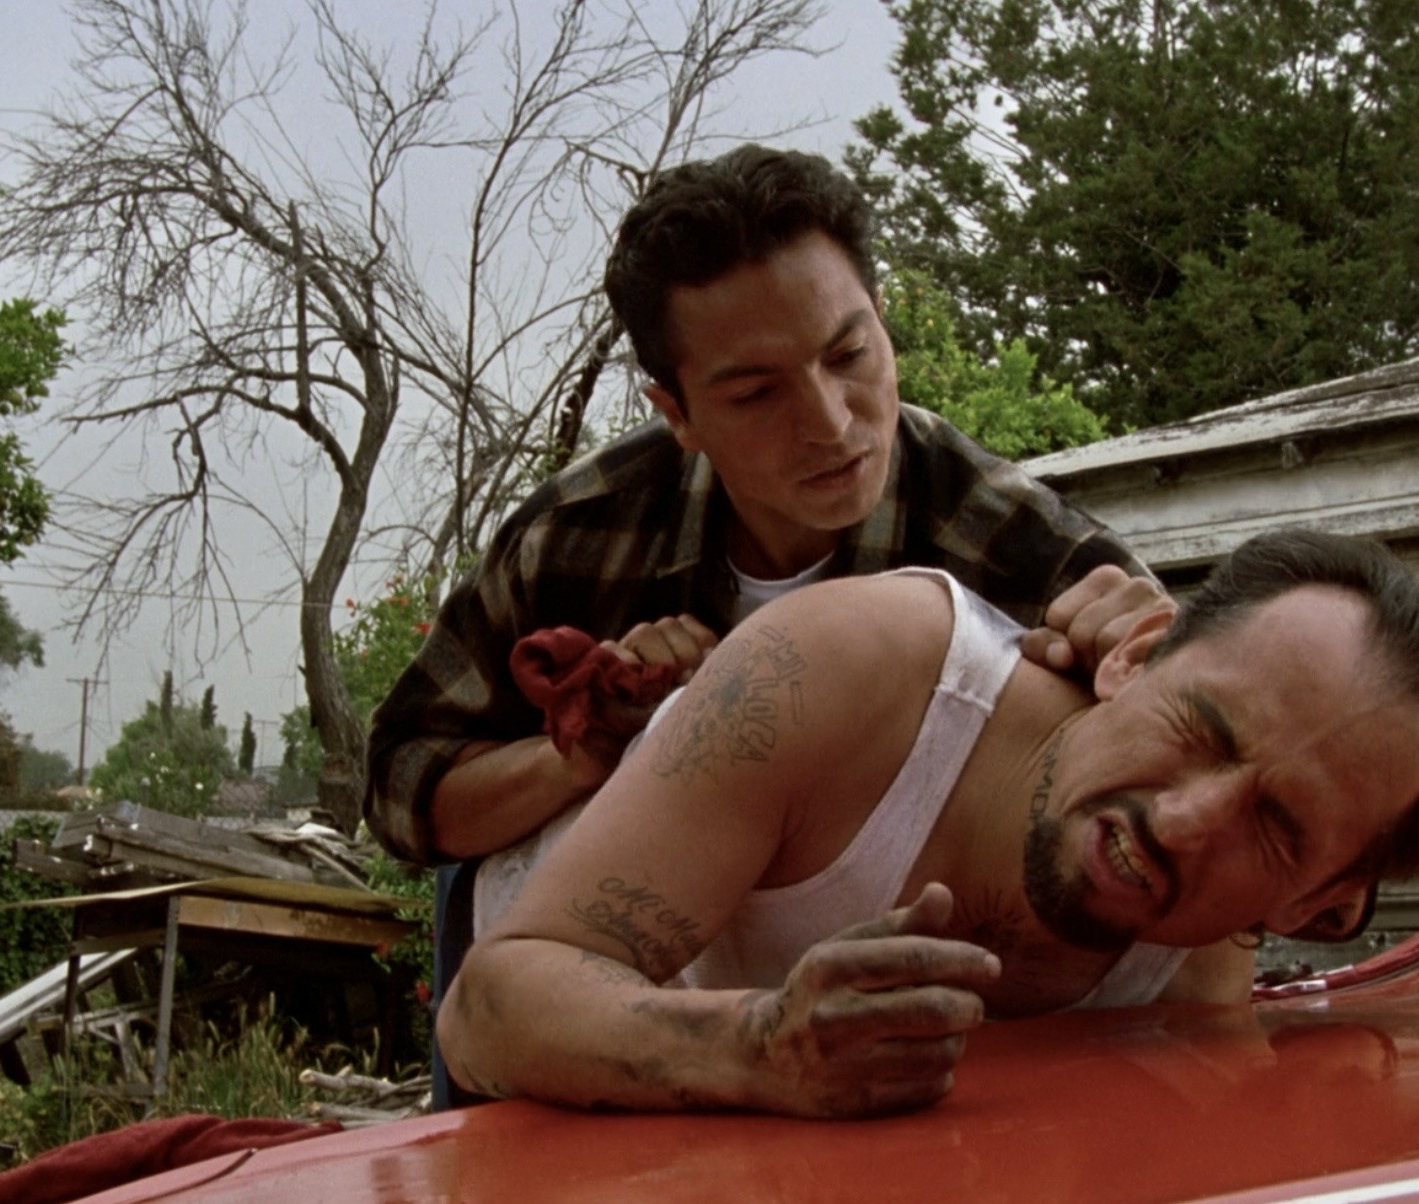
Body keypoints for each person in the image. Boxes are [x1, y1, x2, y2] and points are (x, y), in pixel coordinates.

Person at [437, 530, 1419, 1118]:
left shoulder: (1209, 953)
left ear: (1315, 903)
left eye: (1275, 829)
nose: (1183, 822)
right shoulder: (843, 665)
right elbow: (486, 1013)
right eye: (1200, 728)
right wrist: (759, 1047)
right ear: (1135, 656)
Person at [362, 144, 1168, 868]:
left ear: (883, 322)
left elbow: (1201, 784)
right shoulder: (576, 533)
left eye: (848, 354)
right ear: (677, 414)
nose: (831, 423)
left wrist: (1154, 672)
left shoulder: (1019, 543)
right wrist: (588, 753)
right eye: (756, 393)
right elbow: (401, 787)